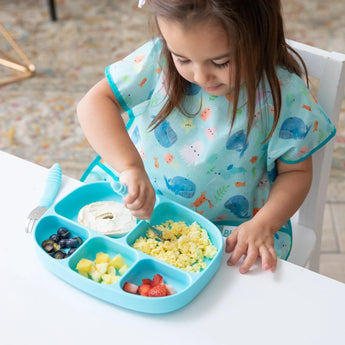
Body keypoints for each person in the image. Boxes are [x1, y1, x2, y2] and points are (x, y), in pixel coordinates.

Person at [77, 0, 336, 274]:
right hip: (140, 202)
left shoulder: (284, 95)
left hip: (231, 226)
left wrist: (265, 224)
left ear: (260, 37)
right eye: (182, 59)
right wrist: (129, 167)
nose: (200, 76)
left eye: (221, 62)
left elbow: (295, 173)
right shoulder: (158, 59)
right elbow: (94, 103)